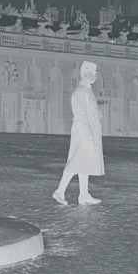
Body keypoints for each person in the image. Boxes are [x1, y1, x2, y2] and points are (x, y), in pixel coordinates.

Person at [55, 60, 104, 205]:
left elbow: (88, 112)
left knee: (84, 163)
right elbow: (80, 116)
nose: (94, 75)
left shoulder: (87, 91)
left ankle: (83, 195)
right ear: (85, 74)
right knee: (76, 162)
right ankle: (60, 191)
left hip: (87, 131)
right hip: (83, 133)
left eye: (94, 73)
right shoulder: (80, 92)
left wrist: (98, 115)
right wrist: (88, 135)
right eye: (92, 73)